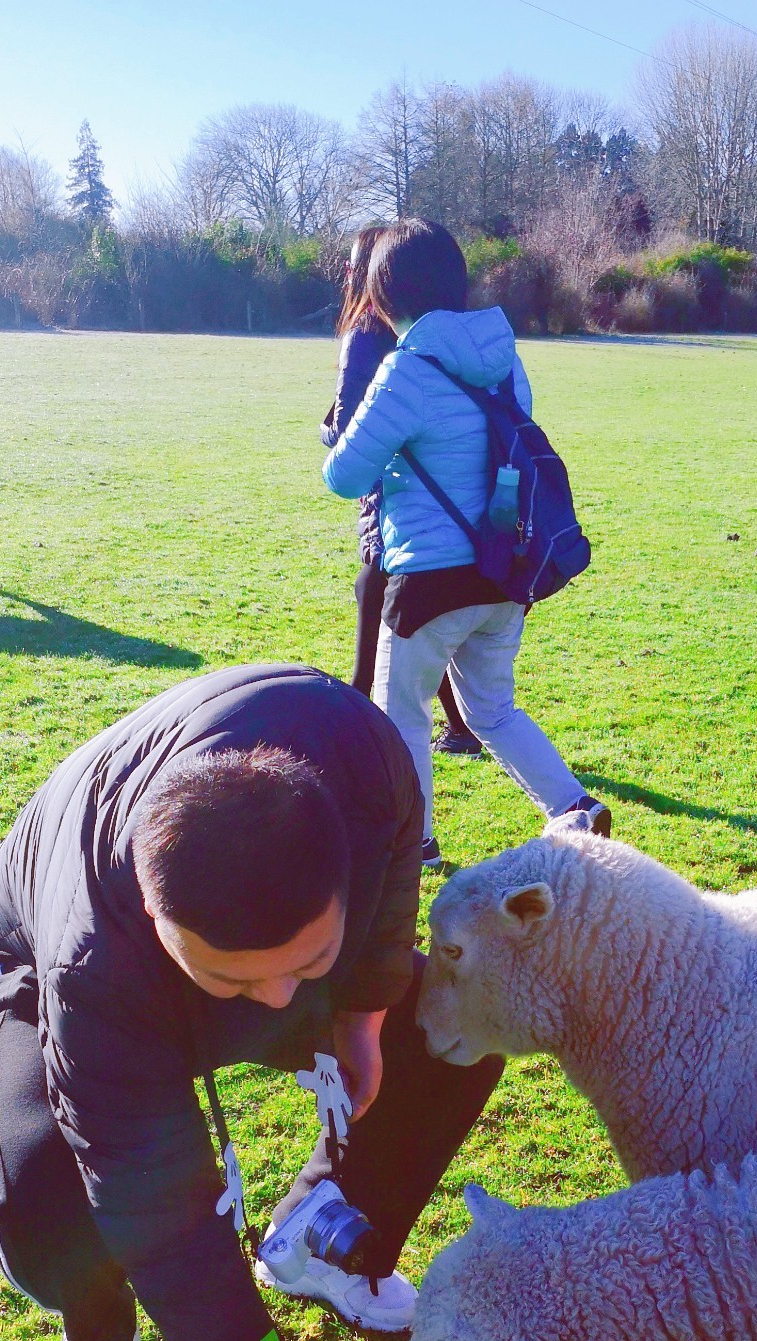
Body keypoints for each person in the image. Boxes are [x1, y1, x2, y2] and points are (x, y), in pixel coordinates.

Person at [0, 664, 503, 1341]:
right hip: (27, 967)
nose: (282, 1005)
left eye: (303, 965)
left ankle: (320, 1236)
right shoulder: (96, 967)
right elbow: (168, 1227)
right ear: (161, 923)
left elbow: (397, 860)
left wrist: (360, 1009)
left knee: (451, 1032)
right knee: (51, 1214)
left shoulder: (363, 754)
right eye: (241, 984)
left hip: (220, 949)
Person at [322, 217, 609, 866]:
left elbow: (344, 475)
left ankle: (415, 842)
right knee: (492, 711)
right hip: (503, 571)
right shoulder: (507, 362)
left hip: (427, 581)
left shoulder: (406, 371)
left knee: (402, 712)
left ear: (385, 297)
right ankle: (574, 808)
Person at [325, 226, 481, 756]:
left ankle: (363, 724)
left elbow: (349, 443)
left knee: (391, 613)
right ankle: (459, 724)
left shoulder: (368, 336)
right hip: (454, 512)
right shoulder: (456, 336)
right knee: (409, 622)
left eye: (353, 270)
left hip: (394, 502)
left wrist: (331, 434)